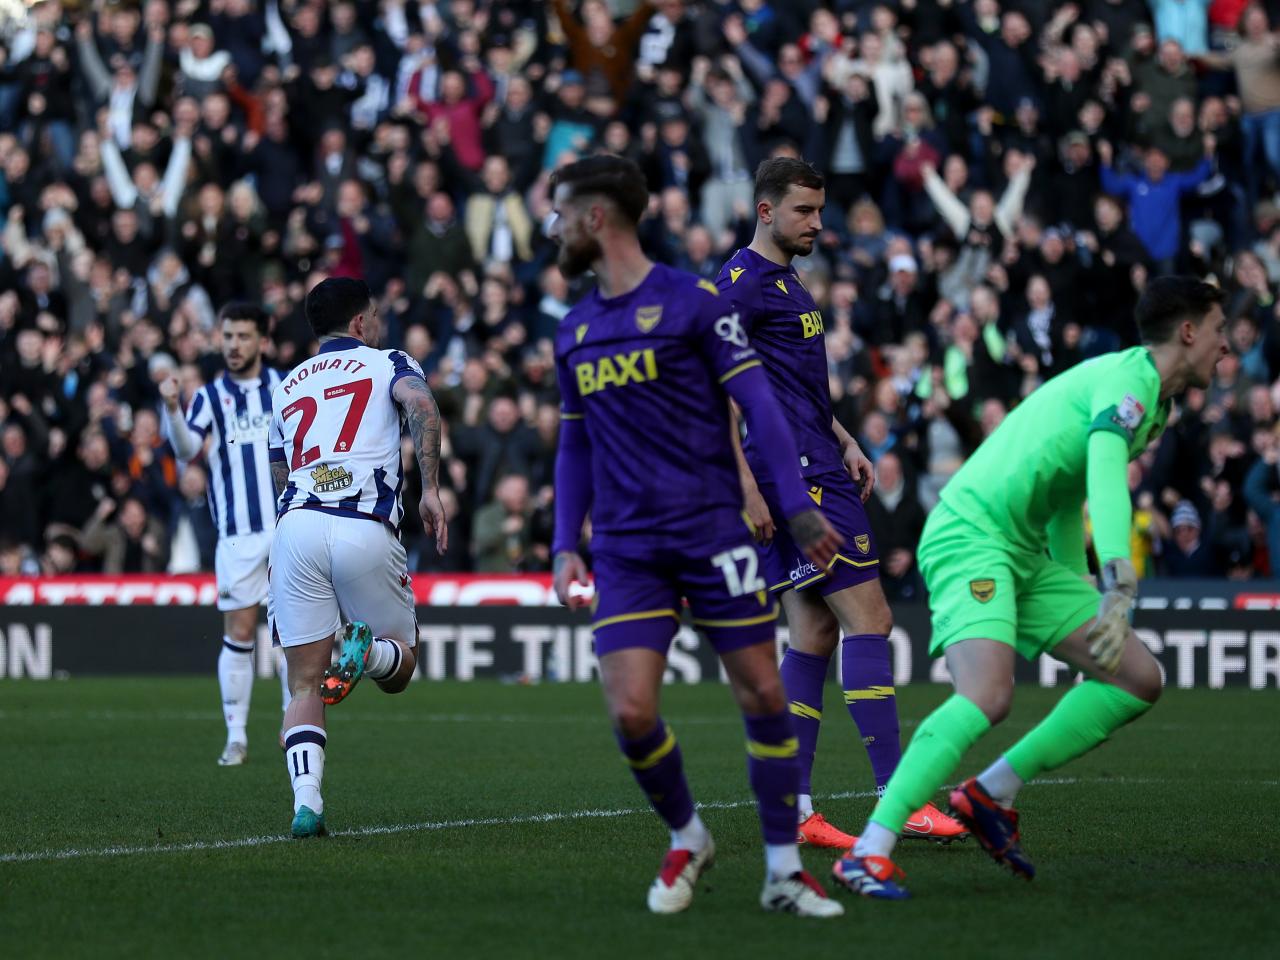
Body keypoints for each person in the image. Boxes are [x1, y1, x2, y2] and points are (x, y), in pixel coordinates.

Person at [833, 277, 1227, 898]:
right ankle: (868, 850)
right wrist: (1116, 583)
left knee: (1137, 678)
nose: (1224, 347)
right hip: (972, 535)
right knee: (989, 695)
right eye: (1219, 330)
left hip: (1022, 548)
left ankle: (989, 792)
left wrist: (1077, 596)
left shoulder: (1157, 404)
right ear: (1188, 331)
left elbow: (1068, 494)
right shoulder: (1133, 382)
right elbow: (1102, 473)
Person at [548, 155, 844, 917]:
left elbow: (762, 409)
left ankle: (783, 869)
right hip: (625, 546)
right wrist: (563, 542)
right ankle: (688, 832)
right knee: (632, 712)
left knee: (762, 689)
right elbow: (574, 444)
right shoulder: (575, 329)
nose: (550, 227)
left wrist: (796, 506)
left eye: (558, 212)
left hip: (712, 531)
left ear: (595, 217)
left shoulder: (695, 303)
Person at [718, 157, 966, 849]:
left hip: (815, 457)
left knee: (816, 632)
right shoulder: (741, 286)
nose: (818, 224)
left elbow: (795, 387)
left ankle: (794, 809)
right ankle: (899, 797)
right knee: (871, 616)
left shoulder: (784, 281)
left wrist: (849, 436)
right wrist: (742, 483)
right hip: (796, 475)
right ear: (766, 211)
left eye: (821, 211)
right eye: (804, 211)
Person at [266, 277, 447, 839]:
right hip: (362, 524)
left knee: (303, 685)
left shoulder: (288, 383)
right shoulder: (386, 360)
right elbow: (422, 407)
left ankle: (308, 806)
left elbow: (279, 471)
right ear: (361, 324)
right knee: (401, 668)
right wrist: (431, 488)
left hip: (294, 526)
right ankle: (364, 655)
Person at [161, 303, 287, 767]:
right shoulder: (210, 396)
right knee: (239, 634)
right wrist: (172, 408)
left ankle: (293, 718)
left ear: (263, 341)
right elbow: (186, 449)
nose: (234, 345)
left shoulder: (284, 387)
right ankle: (236, 737)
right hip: (237, 535)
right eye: (228, 336)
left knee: (292, 633)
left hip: (288, 528)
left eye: (243, 337)